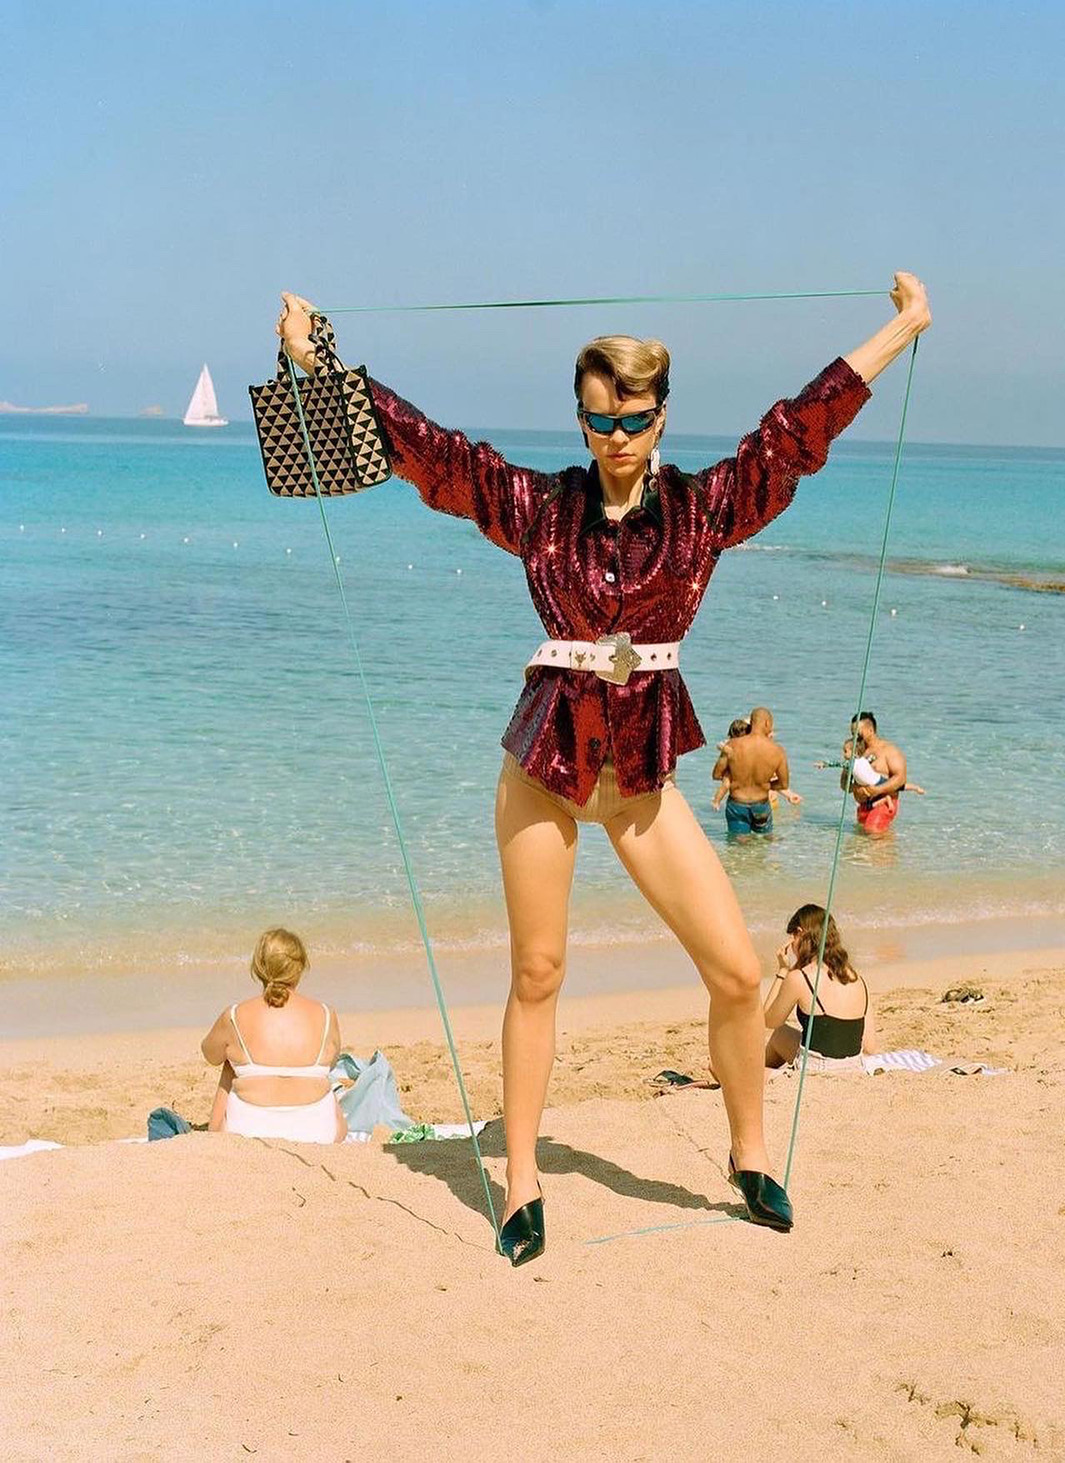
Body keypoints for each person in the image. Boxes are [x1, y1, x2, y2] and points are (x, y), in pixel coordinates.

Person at [278, 270, 931, 1264]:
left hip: (640, 781)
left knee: (737, 971)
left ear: (661, 414)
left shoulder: (705, 508)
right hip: (544, 764)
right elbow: (433, 453)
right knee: (538, 971)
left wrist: (903, 327)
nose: (615, 436)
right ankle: (522, 1176)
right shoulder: (540, 506)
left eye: (631, 418)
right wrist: (319, 361)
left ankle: (750, 1153)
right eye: (597, 419)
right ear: (580, 418)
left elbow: (797, 432)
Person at [202, 928, 347, 1143]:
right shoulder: (326, 1014)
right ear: (300, 968)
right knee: (320, 1072)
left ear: (258, 967)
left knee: (231, 1059)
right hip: (321, 1134)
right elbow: (332, 1063)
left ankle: (216, 1134)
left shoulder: (234, 1015)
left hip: (245, 1132)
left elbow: (210, 1055)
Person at [763, 904, 878, 1066]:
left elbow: (769, 1020)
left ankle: (757, 1072)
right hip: (854, 1066)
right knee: (784, 1036)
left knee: (778, 1034)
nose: (791, 945)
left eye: (792, 937)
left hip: (818, 1067)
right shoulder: (858, 980)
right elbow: (870, 1047)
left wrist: (783, 970)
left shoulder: (800, 978)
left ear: (800, 933)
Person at [711, 706, 800, 835]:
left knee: (738, 842)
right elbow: (783, 784)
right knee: (764, 841)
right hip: (761, 805)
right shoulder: (778, 751)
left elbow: (716, 774)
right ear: (767, 723)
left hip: (737, 804)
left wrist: (735, 778)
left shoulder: (732, 745)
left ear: (751, 723)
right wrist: (764, 785)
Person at [842, 712, 908, 834]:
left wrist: (877, 790)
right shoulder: (856, 752)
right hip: (864, 806)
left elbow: (901, 779)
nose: (855, 737)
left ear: (871, 730)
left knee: (873, 832)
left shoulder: (889, 750)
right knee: (863, 840)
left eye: (858, 733)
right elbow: (844, 787)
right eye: (852, 733)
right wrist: (849, 774)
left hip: (884, 803)